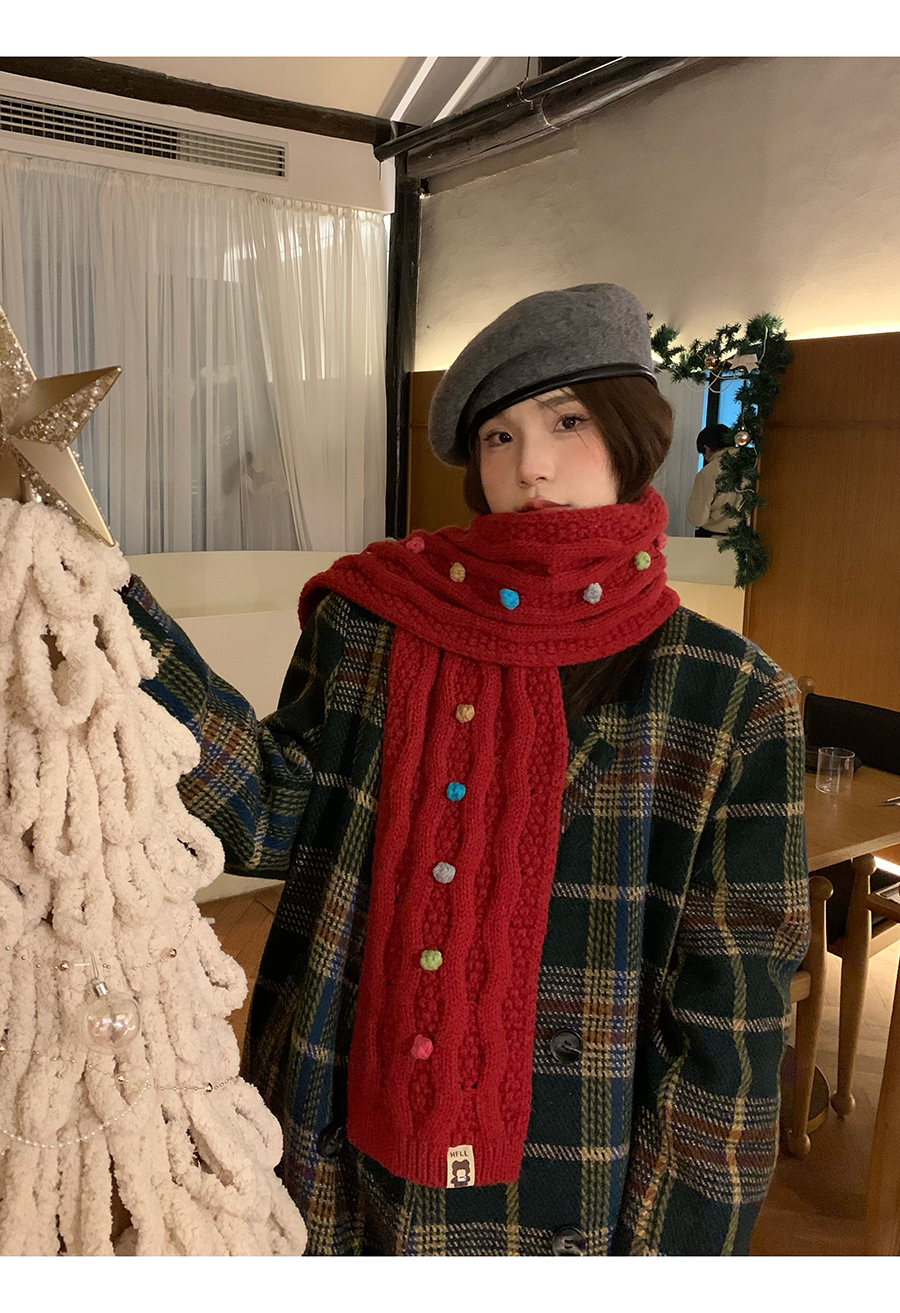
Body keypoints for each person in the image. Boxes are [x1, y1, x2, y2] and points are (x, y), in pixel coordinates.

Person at [122, 284, 809, 1257]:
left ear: (633, 433)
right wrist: (116, 622)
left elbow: (729, 1025)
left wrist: (679, 1255)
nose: (530, 464)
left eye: (567, 421)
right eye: (498, 435)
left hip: (571, 1174)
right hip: (337, 1131)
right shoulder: (374, 622)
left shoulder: (727, 692)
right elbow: (276, 815)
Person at [687, 422, 740, 537]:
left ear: (707, 449)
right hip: (752, 537)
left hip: (715, 537)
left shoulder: (709, 471)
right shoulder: (755, 463)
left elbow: (697, 519)